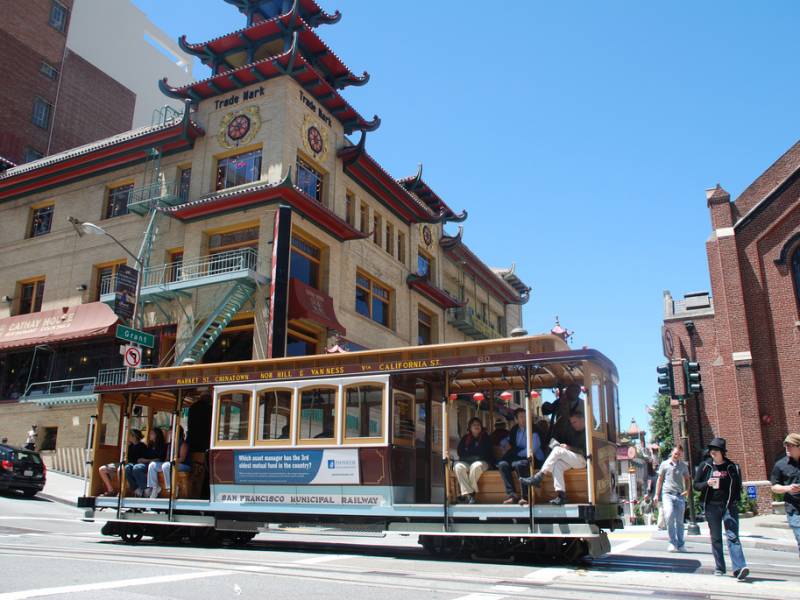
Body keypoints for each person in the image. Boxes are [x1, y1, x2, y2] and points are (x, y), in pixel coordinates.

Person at [694, 437, 748, 580]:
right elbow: (696, 485)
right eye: (711, 449)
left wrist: (735, 502)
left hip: (729, 506)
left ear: (722, 452)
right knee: (716, 538)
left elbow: (737, 486)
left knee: (733, 536)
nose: (713, 452)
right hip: (711, 506)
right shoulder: (705, 466)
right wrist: (707, 483)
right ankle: (720, 567)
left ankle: (739, 568)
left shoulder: (731, 467)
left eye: (716, 449)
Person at [521, 408, 587, 506]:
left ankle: (539, 476)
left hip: (583, 460)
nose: (573, 425)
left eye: (575, 422)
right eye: (572, 423)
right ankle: (561, 495)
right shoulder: (573, 432)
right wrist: (564, 446)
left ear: (582, 420)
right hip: (574, 459)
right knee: (557, 464)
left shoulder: (587, 432)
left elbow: (585, 451)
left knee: (557, 450)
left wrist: (569, 448)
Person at [496, 408, 544, 505]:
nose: (524, 419)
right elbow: (506, 440)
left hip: (533, 458)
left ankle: (526, 497)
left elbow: (533, 449)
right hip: (517, 457)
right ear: (516, 420)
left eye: (526, 416)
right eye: (521, 417)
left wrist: (516, 453)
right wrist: (504, 444)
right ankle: (512, 495)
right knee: (502, 465)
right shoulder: (515, 429)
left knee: (519, 464)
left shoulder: (534, 429)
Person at [769, 433, 800, 558]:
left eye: (790, 445)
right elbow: (774, 486)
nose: (787, 448)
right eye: (786, 445)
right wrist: (788, 488)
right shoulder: (780, 465)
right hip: (794, 509)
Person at [654, 445, 690, 552]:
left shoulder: (683, 465)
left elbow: (687, 479)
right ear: (672, 453)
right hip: (667, 494)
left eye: (679, 454)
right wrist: (656, 494)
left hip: (679, 495)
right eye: (675, 453)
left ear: (681, 455)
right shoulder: (664, 464)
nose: (677, 455)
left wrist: (687, 490)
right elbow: (660, 479)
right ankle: (672, 543)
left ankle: (681, 544)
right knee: (669, 515)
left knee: (679, 521)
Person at [453, 418, 493, 504]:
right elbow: (460, 452)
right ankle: (469, 494)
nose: (476, 426)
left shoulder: (486, 437)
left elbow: (485, 452)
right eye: (474, 425)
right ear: (470, 428)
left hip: (483, 462)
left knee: (475, 466)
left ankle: (468, 494)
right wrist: (473, 453)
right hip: (467, 462)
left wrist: (470, 452)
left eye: (478, 425)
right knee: (458, 466)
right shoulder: (465, 438)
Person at [146, 426, 191, 498]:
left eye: (171, 432)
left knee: (166, 466)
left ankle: (171, 487)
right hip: (171, 464)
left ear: (177, 433)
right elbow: (167, 458)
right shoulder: (170, 445)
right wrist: (166, 462)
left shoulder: (183, 444)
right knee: (152, 465)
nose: (170, 434)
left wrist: (170, 462)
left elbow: (182, 459)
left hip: (184, 465)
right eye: (170, 432)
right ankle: (155, 487)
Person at [97, 429, 145, 496]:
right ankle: (111, 490)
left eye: (129, 435)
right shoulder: (129, 446)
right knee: (102, 469)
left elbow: (137, 459)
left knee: (120, 470)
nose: (127, 437)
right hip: (123, 463)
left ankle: (121, 491)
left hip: (131, 465)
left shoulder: (142, 446)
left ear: (134, 436)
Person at [125, 428, 166, 497]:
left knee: (137, 468)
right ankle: (136, 489)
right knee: (127, 468)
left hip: (154, 464)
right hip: (145, 463)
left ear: (157, 435)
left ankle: (146, 489)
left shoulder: (162, 446)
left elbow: (159, 459)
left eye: (151, 434)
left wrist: (145, 460)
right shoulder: (150, 445)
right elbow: (144, 456)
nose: (149, 435)